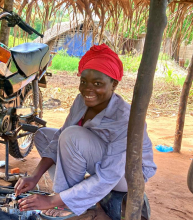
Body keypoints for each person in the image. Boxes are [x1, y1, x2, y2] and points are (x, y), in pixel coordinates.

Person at [14, 44, 157, 219]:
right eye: (83, 82)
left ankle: (68, 203)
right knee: (44, 136)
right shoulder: (81, 101)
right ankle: (75, 195)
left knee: (72, 137)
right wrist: (35, 176)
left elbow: (109, 175)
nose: (88, 89)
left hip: (126, 174)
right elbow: (60, 135)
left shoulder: (125, 118)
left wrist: (51, 200)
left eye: (98, 83)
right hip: (99, 158)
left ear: (114, 84)